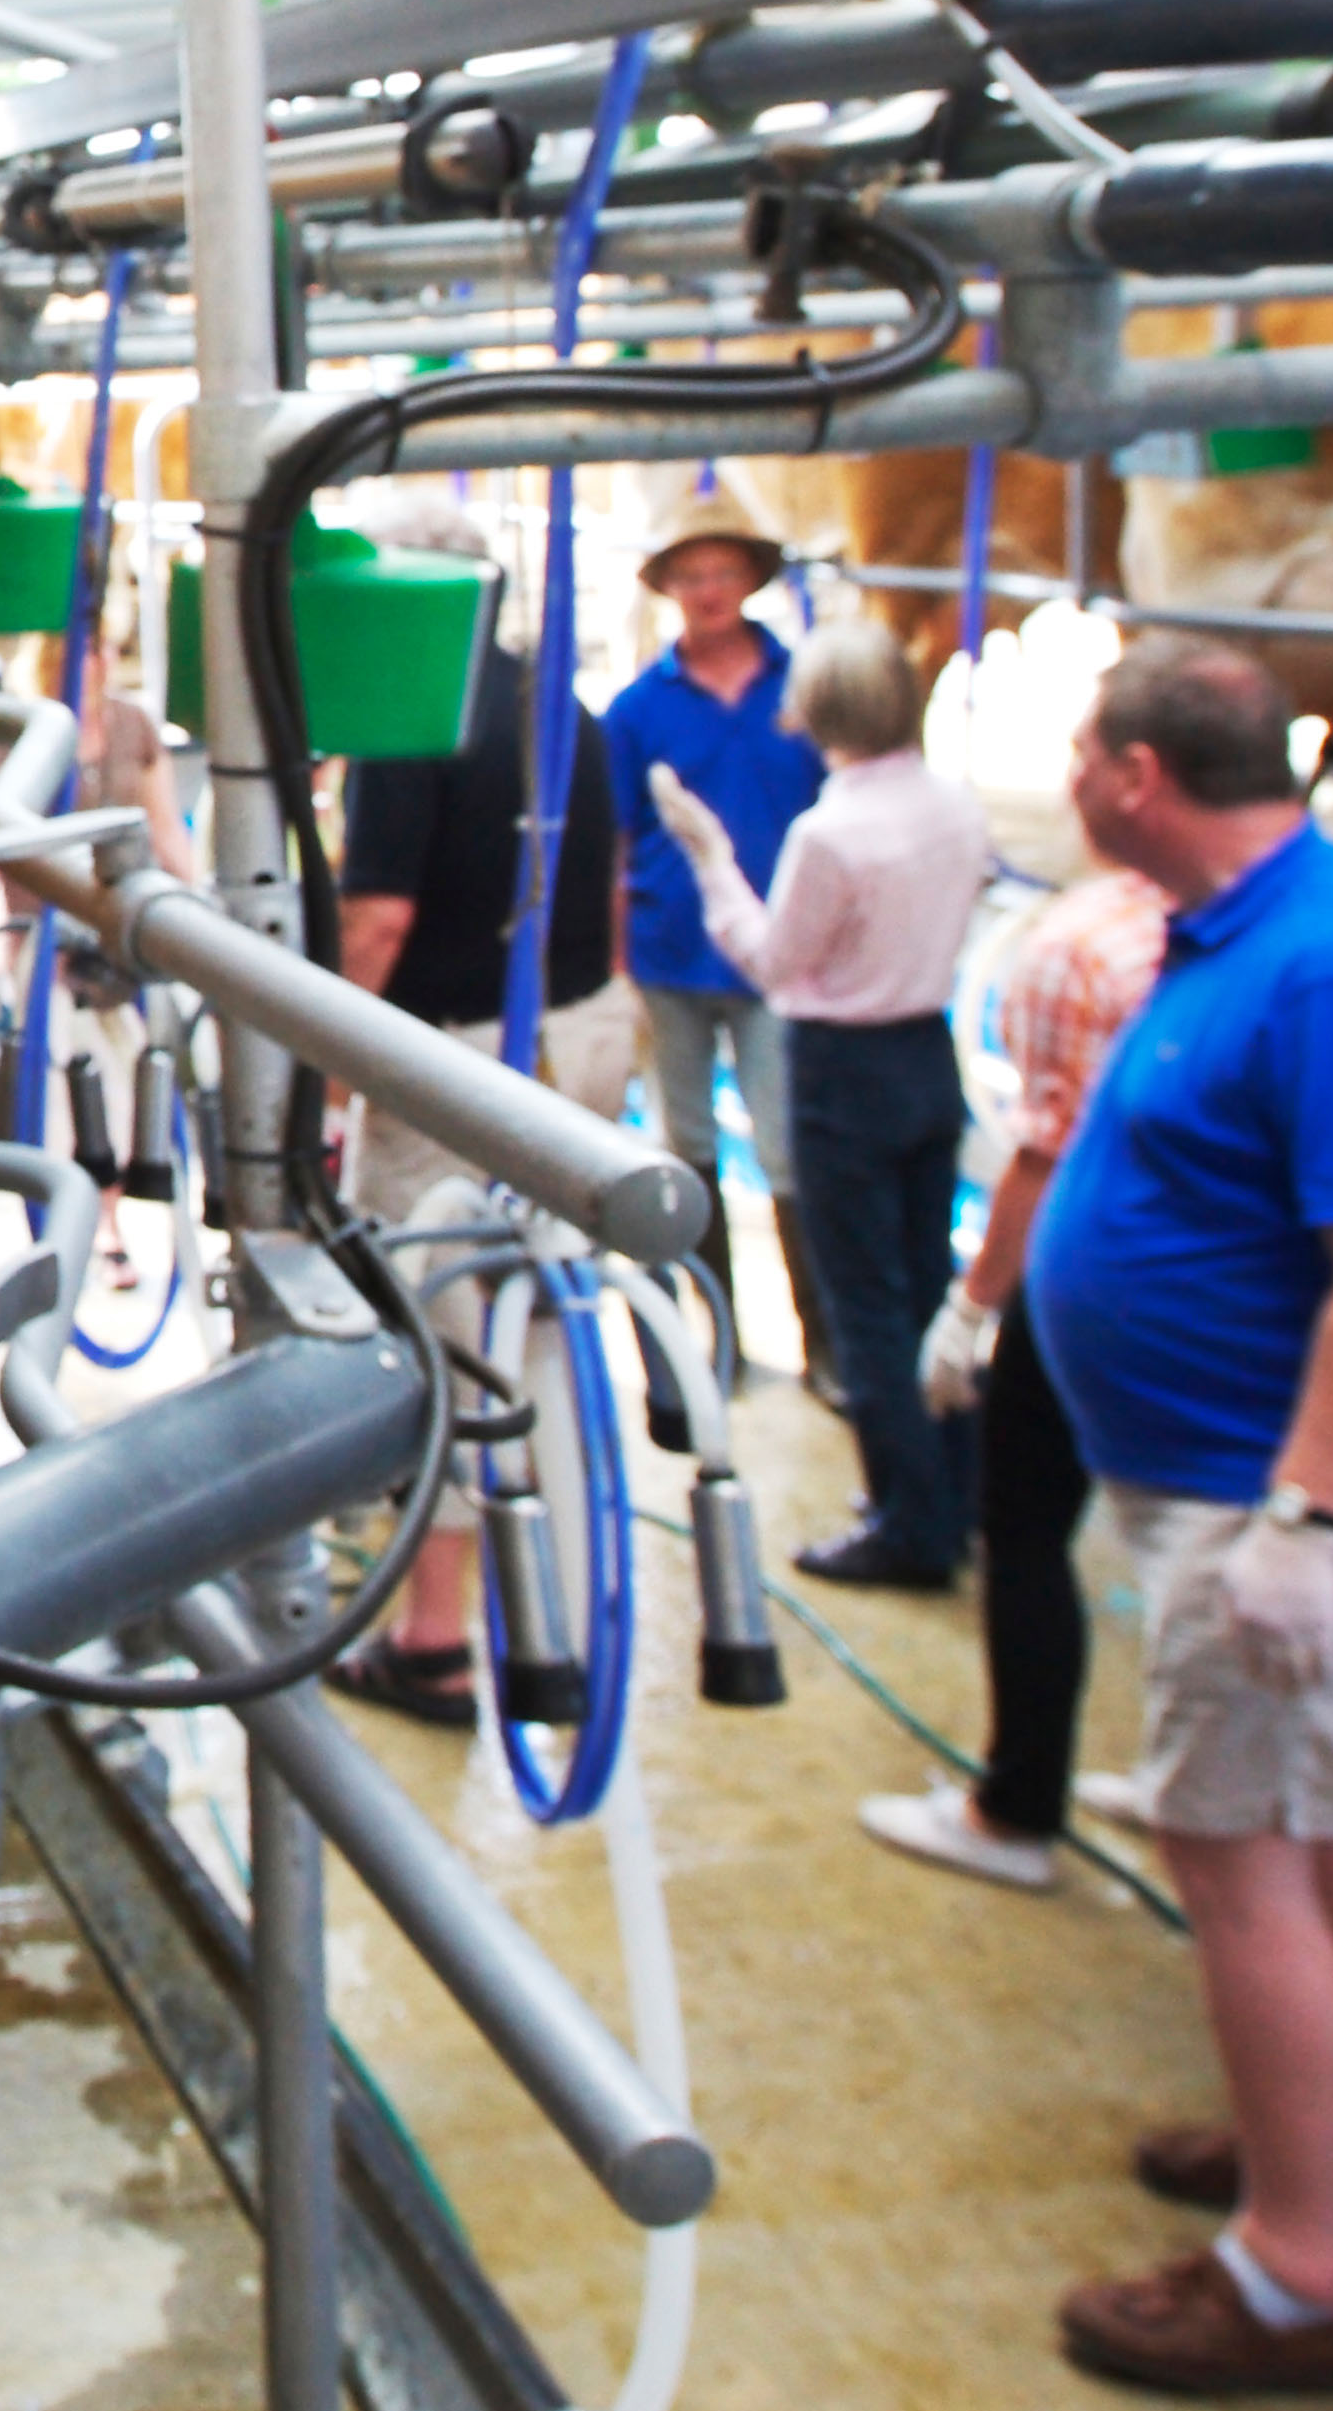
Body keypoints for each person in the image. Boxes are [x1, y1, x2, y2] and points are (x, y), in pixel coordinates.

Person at [1022, 637, 1333, 2400]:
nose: (1071, 781)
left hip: (1290, 1508)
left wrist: (1302, 1519)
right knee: (1332, 1826)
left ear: (1138, 775)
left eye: (1082, 754)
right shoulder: (1244, 930)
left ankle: (1293, 2276)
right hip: (1247, 1485)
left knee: (1237, 1857)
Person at [317, 495, 628, 1725]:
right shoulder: (570, 711)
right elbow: (605, 889)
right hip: (574, 1038)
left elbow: (377, 921)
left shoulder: (411, 717)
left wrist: (322, 1077)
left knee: (441, 1331)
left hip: (455, 1070)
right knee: (539, 1320)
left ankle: (433, 1638)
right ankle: (543, 1605)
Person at [646, 615, 995, 1589]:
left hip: (844, 1066)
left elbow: (768, 959)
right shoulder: (954, 808)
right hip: (926, 1052)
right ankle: (950, 1492)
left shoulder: (831, 832)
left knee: (864, 1306)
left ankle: (908, 1522)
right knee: (927, 1284)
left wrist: (709, 858)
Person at [858, 856, 1171, 1886]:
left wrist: (971, 1304)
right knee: (1186, 1542)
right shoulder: (1248, 932)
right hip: (1213, 1286)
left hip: (1103, 1272)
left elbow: (1046, 1154)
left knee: (1028, 1530)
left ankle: (1015, 1809)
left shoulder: (1083, 944)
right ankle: (1183, 1782)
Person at [601, 490, 830, 1363]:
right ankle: (718, 1340)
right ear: (668, 587)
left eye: (722, 571)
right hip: (673, 953)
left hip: (781, 955)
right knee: (685, 1142)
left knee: (784, 1149)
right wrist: (619, 956)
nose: (707, 589)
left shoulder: (801, 687)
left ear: (748, 578)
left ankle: (821, 1347)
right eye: (691, 574)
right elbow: (617, 841)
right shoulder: (635, 709)